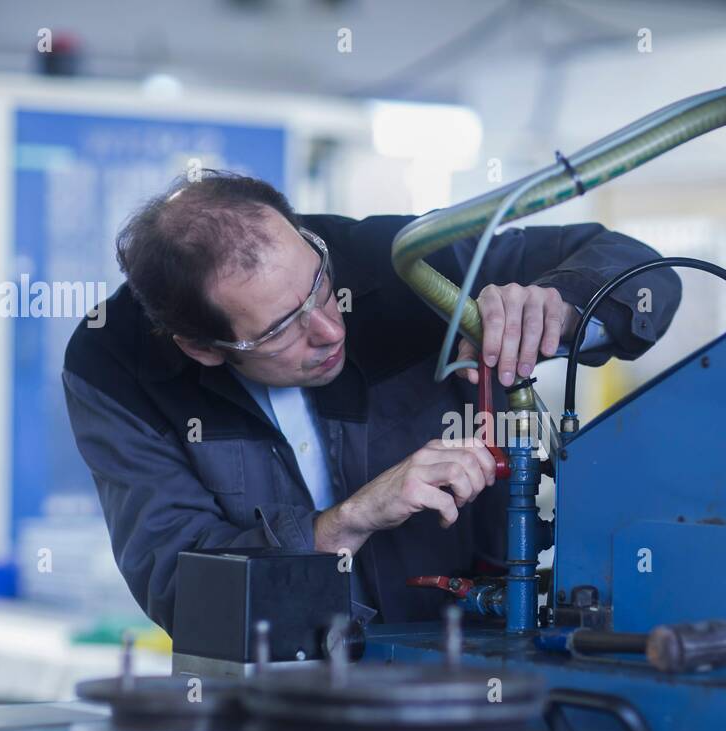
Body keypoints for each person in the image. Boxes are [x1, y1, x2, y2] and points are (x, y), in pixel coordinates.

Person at [63, 170, 680, 629]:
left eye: (319, 286)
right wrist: (350, 519)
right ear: (202, 347)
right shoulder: (114, 366)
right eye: (282, 328)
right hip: (283, 706)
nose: (330, 329)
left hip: (482, 668)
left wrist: (560, 305)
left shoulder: (397, 263)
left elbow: (640, 273)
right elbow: (183, 589)